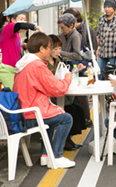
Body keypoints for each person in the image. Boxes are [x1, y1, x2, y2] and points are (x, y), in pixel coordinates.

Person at [13, 32, 75, 169]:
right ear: (41, 49)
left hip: (22, 111)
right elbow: (57, 89)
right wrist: (68, 79)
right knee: (66, 118)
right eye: (48, 48)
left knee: (52, 116)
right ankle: (57, 156)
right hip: (31, 114)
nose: (50, 51)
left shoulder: (23, 64)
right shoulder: (37, 66)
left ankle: (45, 155)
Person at [47, 35, 86, 151]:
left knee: (77, 108)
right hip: (51, 96)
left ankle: (68, 139)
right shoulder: (44, 64)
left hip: (59, 92)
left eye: (59, 49)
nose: (58, 51)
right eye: (55, 49)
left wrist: (76, 70)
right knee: (71, 110)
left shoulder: (58, 59)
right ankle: (65, 141)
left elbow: (64, 72)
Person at [96, 0, 116, 77]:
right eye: (105, 7)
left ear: (114, 8)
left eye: (109, 7)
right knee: (98, 73)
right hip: (102, 51)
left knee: (112, 73)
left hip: (113, 52)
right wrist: (96, 49)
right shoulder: (101, 19)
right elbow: (98, 35)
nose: (107, 9)